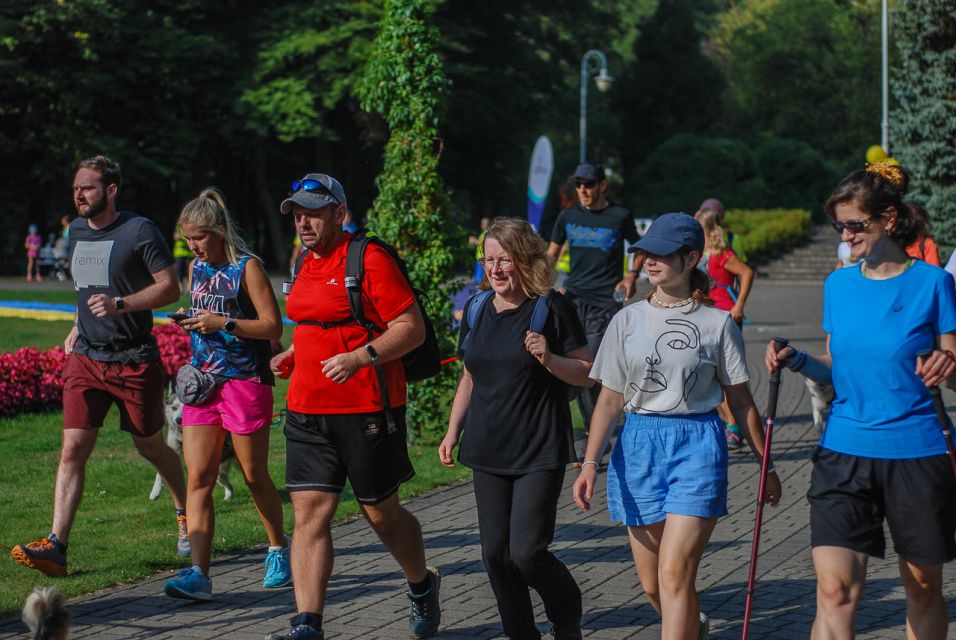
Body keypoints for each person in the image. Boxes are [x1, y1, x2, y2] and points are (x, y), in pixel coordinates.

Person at [765, 162, 956, 640]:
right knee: (833, 591)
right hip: (843, 451)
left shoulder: (933, 284)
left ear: (887, 219)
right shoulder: (838, 285)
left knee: (922, 588)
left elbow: (953, 370)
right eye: (840, 226)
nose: (846, 236)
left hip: (916, 451)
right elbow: (837, 371)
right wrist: (797, 360)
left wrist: (947, 367)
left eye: (855, 224)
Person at [572, 213, 782, 639]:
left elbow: (740, 401)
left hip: (697, 444)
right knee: (654, 584)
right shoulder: (625, 320)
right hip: (638, 446)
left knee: (674, 572)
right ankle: (693, 625)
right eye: (646, 252)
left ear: (690, 258)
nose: (649, 260)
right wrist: (590, 462)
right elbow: (609, 398)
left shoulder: (717, 323)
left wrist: (768, 464)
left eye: (661, 253)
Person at [267, 173, 441, 640]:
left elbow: (411, 329)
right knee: (309, 515)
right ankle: (308, 624)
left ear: (339, 213)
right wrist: (294, 353)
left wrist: (360, 357)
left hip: (366, 409)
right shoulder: (304, 260)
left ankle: (421, 584)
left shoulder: (370, 258)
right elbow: (313, 321)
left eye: (313, 211)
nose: (303, 221)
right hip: (306, 411)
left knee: (380, 513)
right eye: (297, 213)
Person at [11, 155, 189, 577]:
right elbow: (85, 288)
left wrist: (120, 304)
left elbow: (170, 288)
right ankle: (57, 546)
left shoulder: (139, 230)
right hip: (87, 358)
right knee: (73, 447)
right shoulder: (74, 232)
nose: (79, 194)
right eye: (76, 187)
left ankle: (185, 509)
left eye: (87, 187)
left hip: (133, 359)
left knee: (150, 446)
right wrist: (77, 324)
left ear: (110, 190)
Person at [439, 217, 593, 640]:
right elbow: (469, 375)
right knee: (495, 554)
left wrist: (548, 358)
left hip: (538, 448)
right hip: (487, 447)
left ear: (525, 260)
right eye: (489, 260)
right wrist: (453, 430)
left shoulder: (551, 307)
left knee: (526, 553)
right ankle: (521, 633)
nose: (495, 269)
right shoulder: (476, 307)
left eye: (504, 259)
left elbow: (587, 374)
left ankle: (566, 616)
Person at [162, 187, 291, 601]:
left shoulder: (247, 268)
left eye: (198, 238)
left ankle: (277, 549)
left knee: (254, 475)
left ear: (218, 230)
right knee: (199, 477)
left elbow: (273, 327)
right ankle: (199, 573)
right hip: (203, 384)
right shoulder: (196, 270)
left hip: (245, 382)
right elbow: (205, 314)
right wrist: (191, 321)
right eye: (187, 240)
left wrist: (224, 323)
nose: (193, 247)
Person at [547, 163, 641, 429]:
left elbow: (638, 248)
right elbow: (551, 254)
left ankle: (599, 428)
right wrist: (535, 283)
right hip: (573, 300)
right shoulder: (567, 217)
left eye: (588, 184)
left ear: (602, 185)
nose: (583, 190)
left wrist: (632, 275)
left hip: (605, 303)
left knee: (591, 365)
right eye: (578, 185)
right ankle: (595, 429)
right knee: (579, 365)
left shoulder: (620, 216)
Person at [694, 208, 756, 450]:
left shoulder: (722, 253)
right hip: (705, 315)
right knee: (709, 373)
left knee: (726, 375)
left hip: (725, 316)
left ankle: (733, 425)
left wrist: (740, 304)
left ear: (707, 227)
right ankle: (727, 422)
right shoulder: (700, 253)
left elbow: (747, 272)